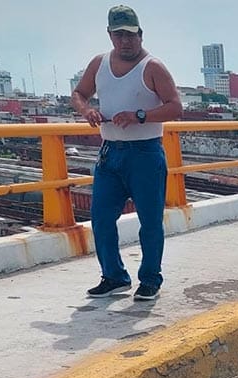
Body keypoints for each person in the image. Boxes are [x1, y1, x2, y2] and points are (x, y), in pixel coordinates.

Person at [71, 5, 182, 300]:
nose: (126, 41)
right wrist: (87, 110)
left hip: (145, 154)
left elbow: (175, 106)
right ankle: (114, 276)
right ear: (110, 35)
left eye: (131, 35)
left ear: (140, 35)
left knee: (149, 220)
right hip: (110, 154)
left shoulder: (153, 67)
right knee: (101, 218)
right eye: (119, 35)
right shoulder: (99, 64)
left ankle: (150, 278)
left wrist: (140, 116)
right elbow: (79, 93)